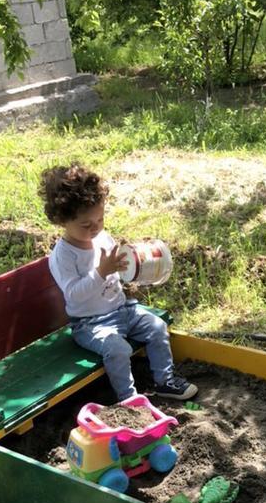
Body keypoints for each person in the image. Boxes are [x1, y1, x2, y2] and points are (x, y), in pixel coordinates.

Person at [42, 163, 197, 402]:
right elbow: (73, 294)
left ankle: (165, 381)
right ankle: (128, 399)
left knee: (157, 327)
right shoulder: (63, 255)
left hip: (122, 310)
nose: (95, 228)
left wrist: (132, 267)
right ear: (62, 220)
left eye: (100, 219)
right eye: (86, 225)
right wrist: (101, 272)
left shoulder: (102, 237)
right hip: (90, 324)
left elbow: (116, 272)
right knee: (118, 349)